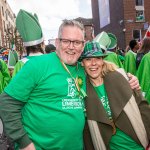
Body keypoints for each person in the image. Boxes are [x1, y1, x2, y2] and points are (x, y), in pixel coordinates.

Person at [0, 20, 140, 150]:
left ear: (83, 45)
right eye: (66, 41)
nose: (71, 47)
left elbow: (105, 70)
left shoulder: (84, 69)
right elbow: (7, 103)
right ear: (57, 42)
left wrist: (129, 79)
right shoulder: (37, 66)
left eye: (77, 42)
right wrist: (24, 143)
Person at [81, 41, 150, 150]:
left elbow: (143, 106)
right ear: (82, 63)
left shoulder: (120, 77)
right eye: (88, 59)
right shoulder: (81, 89)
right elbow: (86, 130)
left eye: (98, 58)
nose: (93, 63)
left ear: (102, 61)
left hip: (138, 144)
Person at [12, 9, 45, 77]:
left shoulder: (20, 64)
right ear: (42, 44)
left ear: (25, 47)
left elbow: (14, 87)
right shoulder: (52, 62)